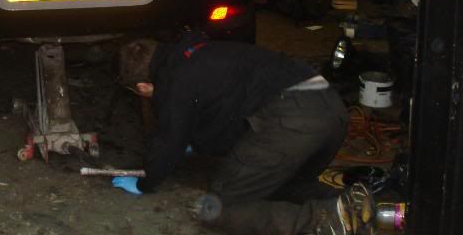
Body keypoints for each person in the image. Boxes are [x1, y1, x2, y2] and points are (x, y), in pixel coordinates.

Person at [111, 31, 376, 235]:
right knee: (279, 183)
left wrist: (146, 182)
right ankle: (350, 207)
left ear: (143, 86)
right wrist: (193, 143)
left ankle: (322, 220)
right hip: (331, 110)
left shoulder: (172, 82)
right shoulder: (197, 52)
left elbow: (168, 141)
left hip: (292, 118)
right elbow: (224, 116)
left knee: (218, 207)